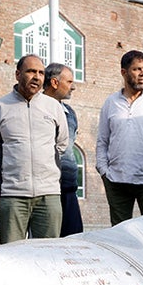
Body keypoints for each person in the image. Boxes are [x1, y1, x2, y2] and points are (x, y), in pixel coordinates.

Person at [0, 54, 69, 243]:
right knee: (13, 256)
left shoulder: (54, 107)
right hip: (13, 195)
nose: (36, 77)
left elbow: (61, 144)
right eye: (30, 71)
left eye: (40, 72)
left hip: (49, 194)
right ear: (18, 74)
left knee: (48, 255)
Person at [96, 50, 143, 225]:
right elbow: (102, 141)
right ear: (124, 72)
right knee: (119, 235)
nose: (142, 74)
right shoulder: (111, 103)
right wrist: (103, 170)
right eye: (137, 69)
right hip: (116, 180)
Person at [43, 62, 82, 236]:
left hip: (68, 186)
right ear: (54, 82)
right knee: (48, 241)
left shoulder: (70, 112)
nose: (72, 87)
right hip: (46, 188)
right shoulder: (37, 108)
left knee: (74, 238)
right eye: (69, 82)